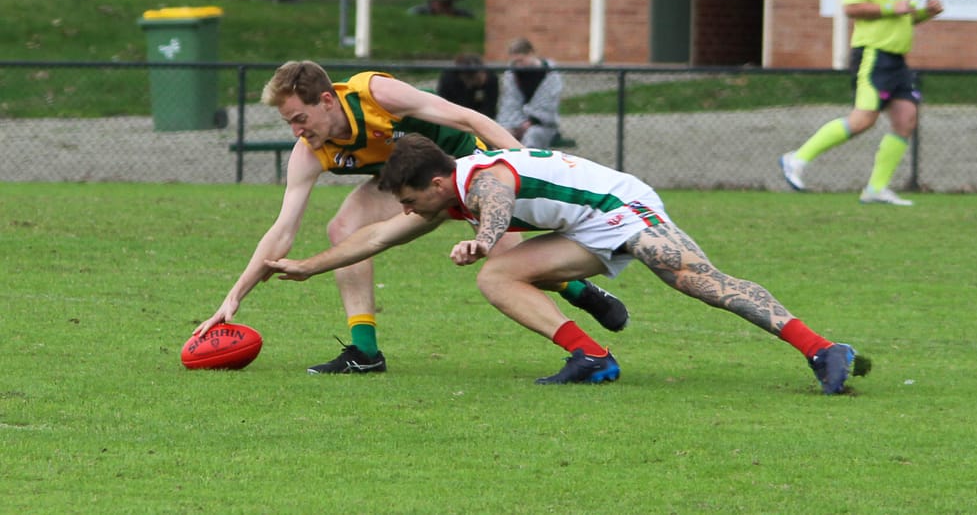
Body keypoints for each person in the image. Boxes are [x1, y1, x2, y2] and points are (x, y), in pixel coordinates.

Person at [266, 133, 872, 394]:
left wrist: (485, 237)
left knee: (702, 283)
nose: (405, 209)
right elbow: (371, 239)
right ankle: (592, 357)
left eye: (408, 199)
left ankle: (823, 349)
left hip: (624, 208)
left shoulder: (480, 176)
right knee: (499, 275)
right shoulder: (442, 199)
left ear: (431, 181)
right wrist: (306, 267)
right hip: (583, 228)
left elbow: (499, 199)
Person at [194, 61, 629, 374]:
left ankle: (576, 289)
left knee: (506, 262)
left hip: (466, 166)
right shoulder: (311, 150)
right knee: (343, 229)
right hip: (406, 185)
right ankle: (365, 352)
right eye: (288, 122)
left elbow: (465, 116)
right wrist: (232, 299)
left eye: (300, 118)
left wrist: (519, 163)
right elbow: (282, 230)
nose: (297, 130)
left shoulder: (376, 95)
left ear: (327, 100)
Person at [780, 0, 944, 205]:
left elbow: (902, 18)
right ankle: (797, 158)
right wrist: (890, 9)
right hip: (874, 57)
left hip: (897, 61)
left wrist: (925, 13)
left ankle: (875, 189)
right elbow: (851, 7)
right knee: (862, 120)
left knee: (906, 118)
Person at [497, 37, 563, 149]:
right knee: (501, 135)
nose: (518, 65)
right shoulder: (512, 75)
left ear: (531, 54)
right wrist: (516, 123)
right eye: (515, 62)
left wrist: (532, 121)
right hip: (516, 122)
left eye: (521, 60)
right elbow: (510, 102)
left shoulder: (550, 74)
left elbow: (548, 103)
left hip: (542, 125)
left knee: (532, 136)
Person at [435, 53, 499, 119]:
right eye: (477, 77)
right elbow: (444, 103)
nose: (483, 77)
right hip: (455, 115)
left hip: (479, 116)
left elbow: (490, 107)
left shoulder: (491, 78)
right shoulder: (449, 78)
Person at [407, 0, 474, 18]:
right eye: (443, 5)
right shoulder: (421, 11)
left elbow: (471, 17)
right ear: (433, 4)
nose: (447, 8)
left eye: (449, 4)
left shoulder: (458, 13)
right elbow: (409, 15)